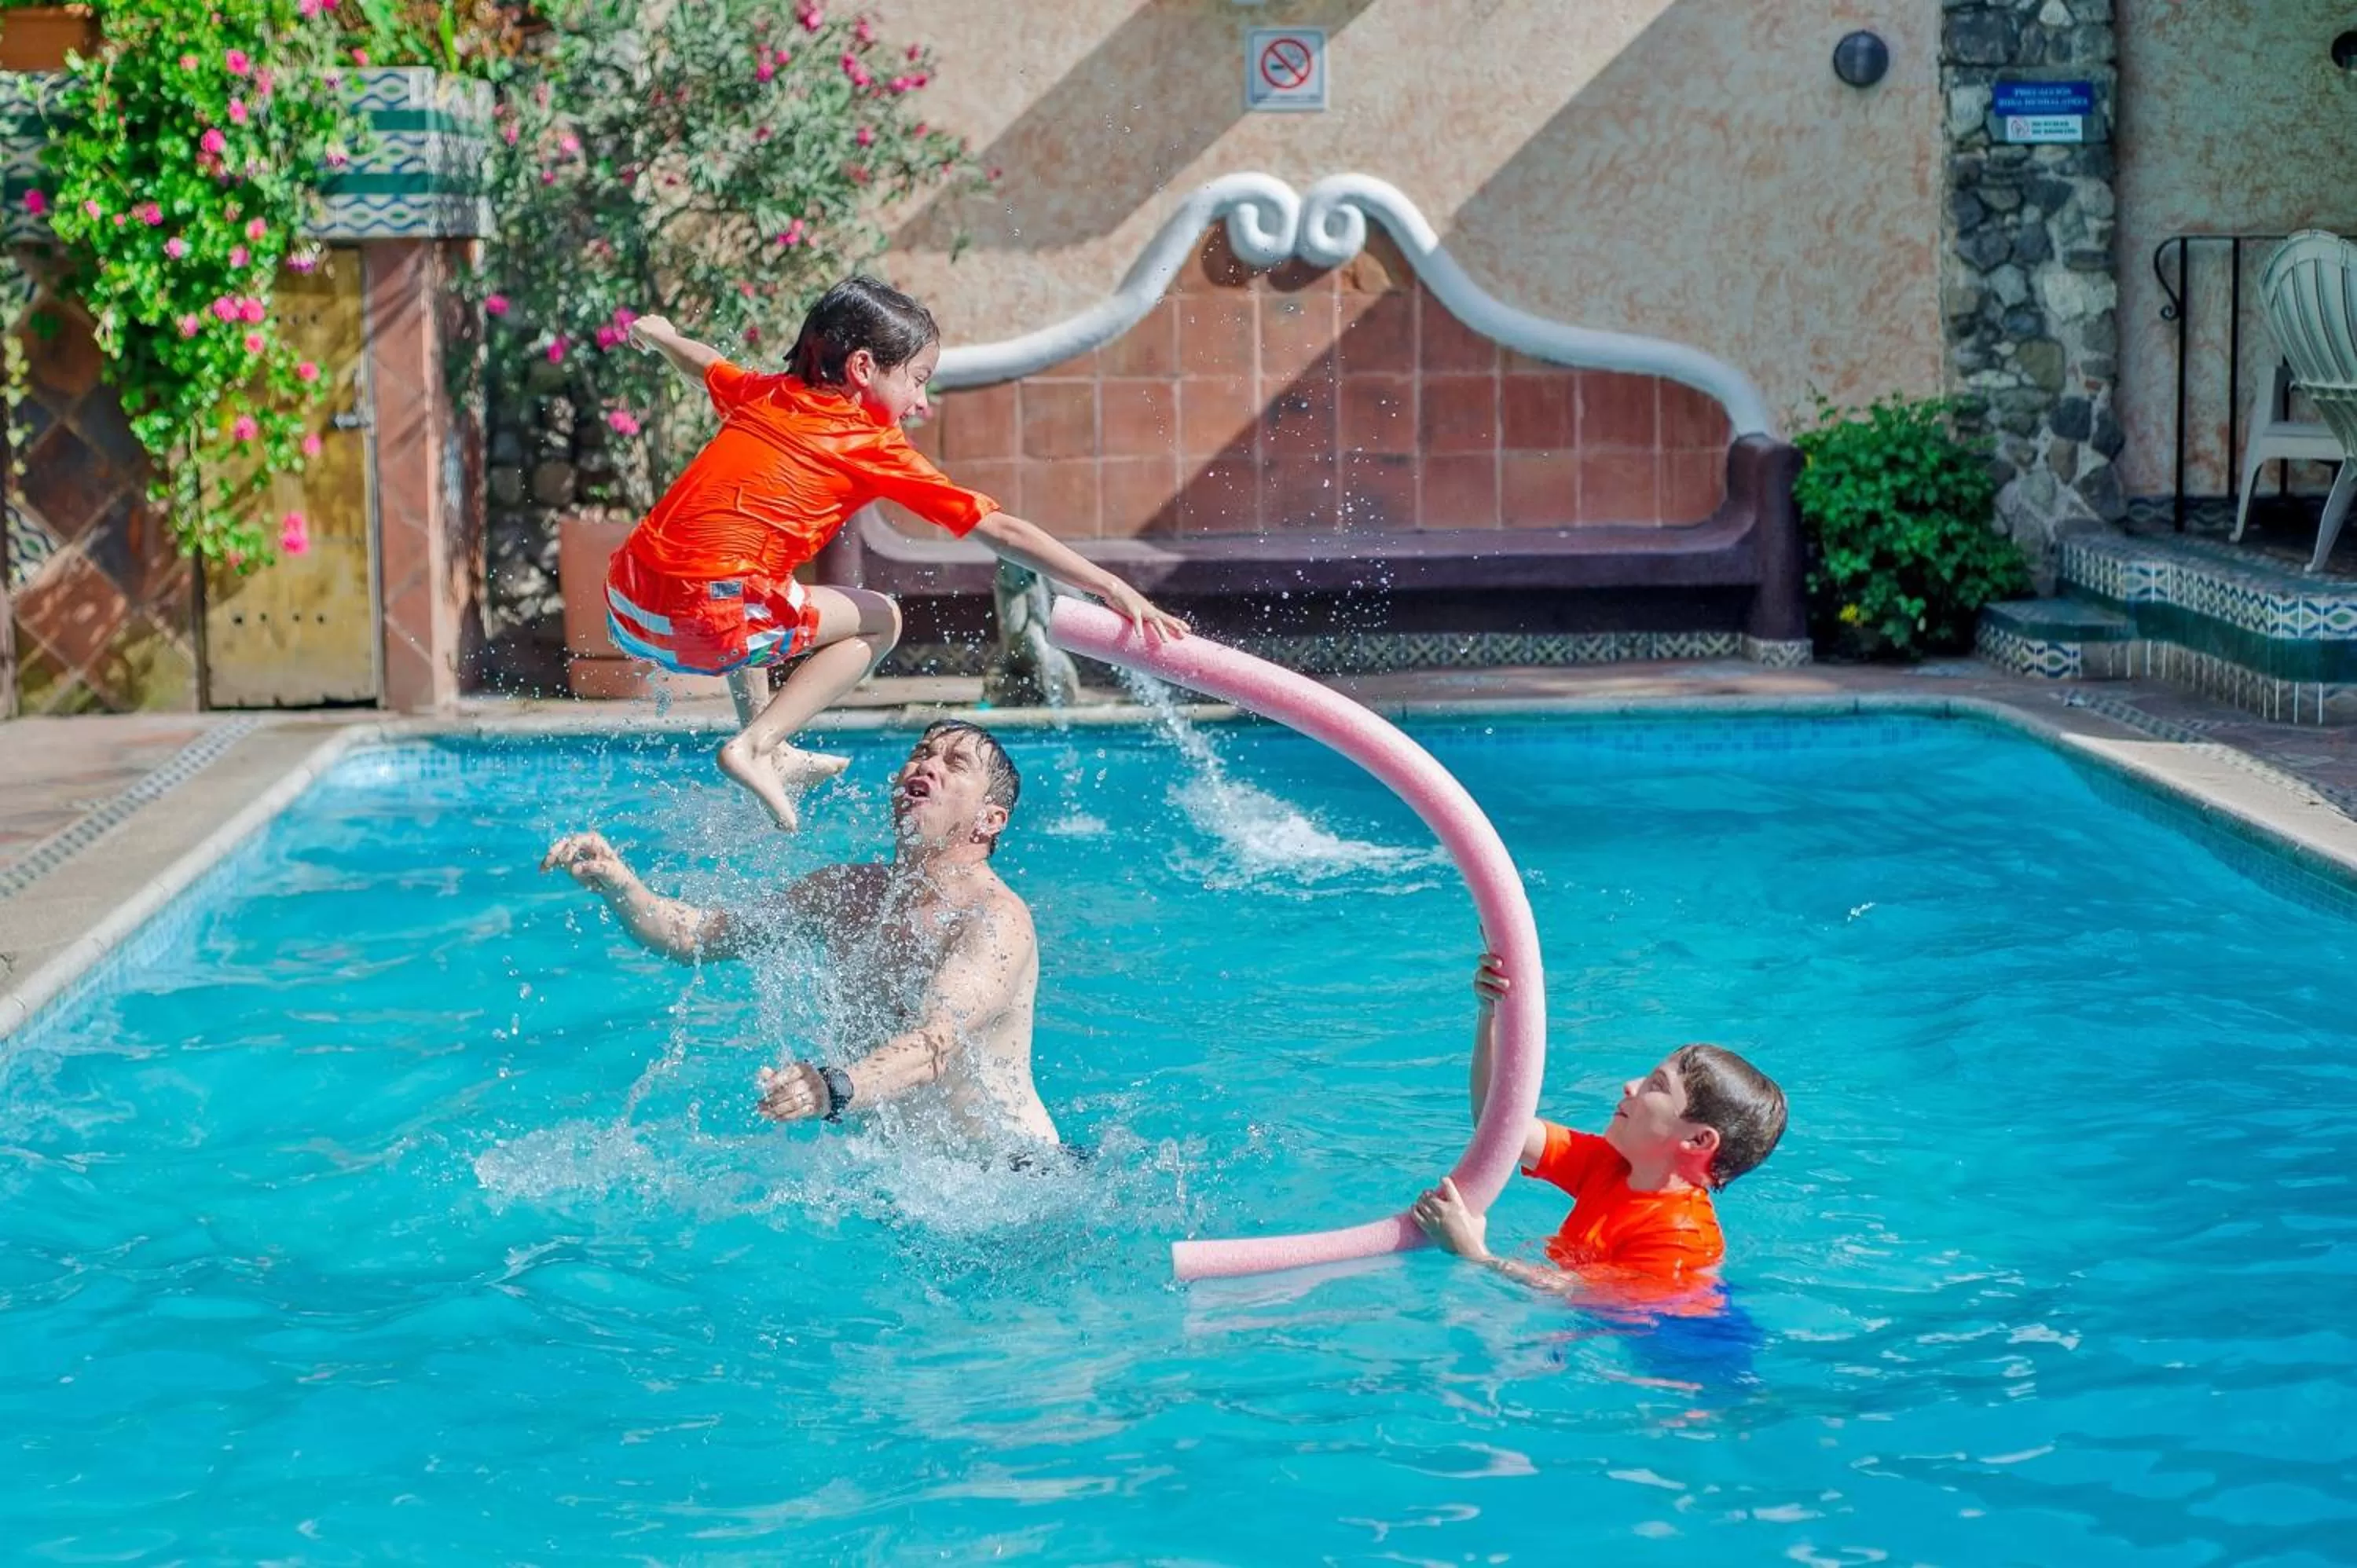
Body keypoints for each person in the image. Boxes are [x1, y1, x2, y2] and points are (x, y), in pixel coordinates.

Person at [610, 276, 1187, 831]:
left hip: (628, 602)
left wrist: (660, 335)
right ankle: (757, 745)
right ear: (863, 368)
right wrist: (1111, 587)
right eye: (917, 380)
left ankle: (771, 744)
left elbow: (704, 363)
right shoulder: (872, 445)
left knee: (760, 590)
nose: (921, 402)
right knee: (882, 618)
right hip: (707, 619)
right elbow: (1002, 530)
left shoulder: (765, 394)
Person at [541, 720, 1065, 1151]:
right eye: (922, 753)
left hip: (1012, 1176)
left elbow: (936, 1044)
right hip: (905, 1171)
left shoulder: (995, 920)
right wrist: (620, 884)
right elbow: (696, 936)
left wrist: (833, 1087)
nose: (926, 765)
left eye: (955, 764)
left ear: (990, 820)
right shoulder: (845, 893)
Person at [1411, 953, 1786, 1298]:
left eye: (1657, 1086)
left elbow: (1588, 1299)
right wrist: (1491, 1014)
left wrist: (1474, 1253)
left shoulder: (1682, 1238)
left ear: (1699, 1140)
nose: (1630, 1085)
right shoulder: (1610, 1164)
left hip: (1676, 1343)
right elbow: (1498, 1127)